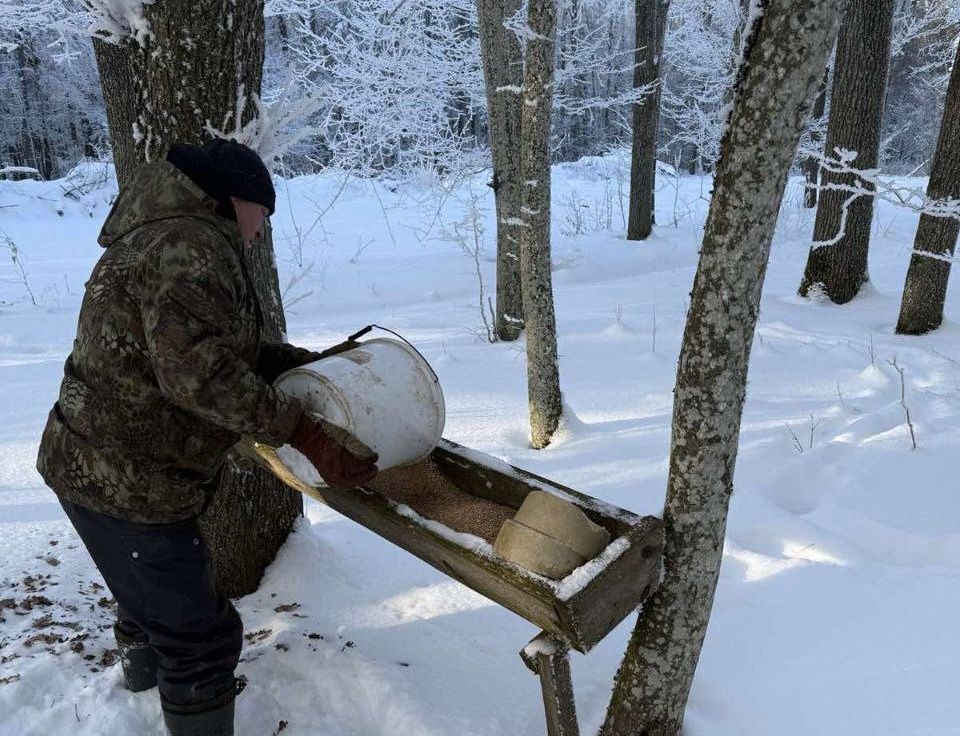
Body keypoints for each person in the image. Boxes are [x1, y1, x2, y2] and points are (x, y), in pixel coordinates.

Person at [36, 138, 378, 736]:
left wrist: (297, 366)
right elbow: (199, 374)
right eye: (260, 219)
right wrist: (306, 433)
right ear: (236, 200)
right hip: (128, 481)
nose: (257, 234)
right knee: (202, 639)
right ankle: (188, 705)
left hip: (99, 462)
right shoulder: (188, 246)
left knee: (147, 600)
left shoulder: (163, 232)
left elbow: (207, 347)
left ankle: (145, 696)